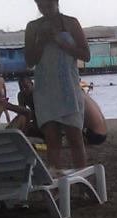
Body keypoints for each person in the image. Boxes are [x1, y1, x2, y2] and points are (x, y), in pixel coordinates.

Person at [24, 0, 91, 172]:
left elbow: (86, 55)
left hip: (69, 87)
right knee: (52, 141)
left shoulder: (71, 23)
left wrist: (61, 42)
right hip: (45, 89)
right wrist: (41, 42)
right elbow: (30, 61)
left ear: (56, 2)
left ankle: (81, 179)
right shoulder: (33, 27)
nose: (46, 10)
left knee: (75, 138)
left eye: (49, 6)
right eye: (41, 7)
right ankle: (55, 179)